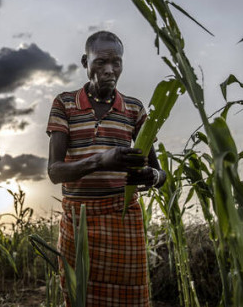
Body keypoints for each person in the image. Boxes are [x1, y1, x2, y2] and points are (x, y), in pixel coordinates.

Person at [46, 31, 166, 307]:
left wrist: (150, 176)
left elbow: (160, 174)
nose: (110, 70)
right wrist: (100, 161)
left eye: (117, 62)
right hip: (79, 221)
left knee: (131, 298)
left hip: (123, 219)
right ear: (85, 62)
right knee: (79, 299)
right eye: (100, 62)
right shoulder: (64, 104)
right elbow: (55, 172)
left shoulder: (134, 109)